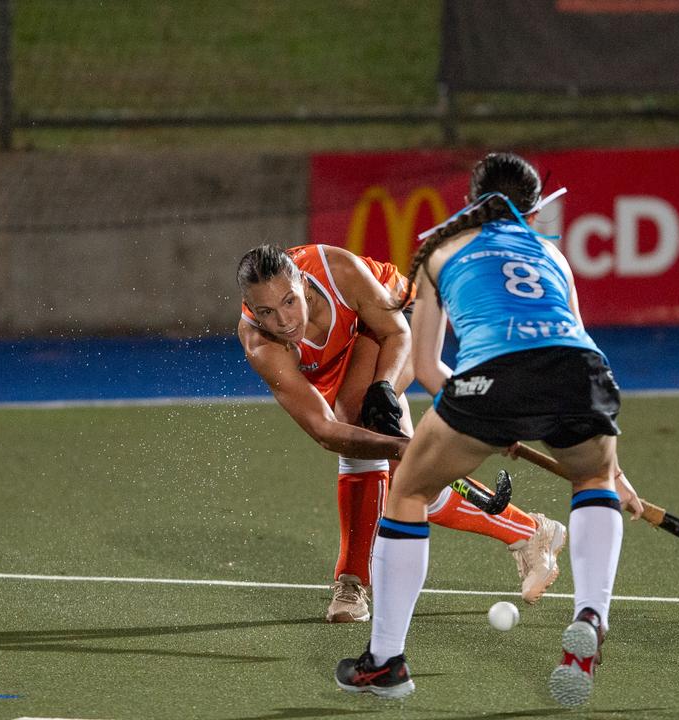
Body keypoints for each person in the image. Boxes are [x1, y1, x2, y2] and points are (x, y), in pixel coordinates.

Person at [334, 152, 643, 706]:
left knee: (407, 492)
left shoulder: (440, 251)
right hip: (585, 373)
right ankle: (592, 614)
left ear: (473, 201)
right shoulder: (551, 254)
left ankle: (385, 661)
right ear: (529, 208)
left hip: (491, 377)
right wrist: (613, 470)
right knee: (593, 478)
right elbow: (565, 344)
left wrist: (487, 416)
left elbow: (427, 370)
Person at [236, 242, 567, 623]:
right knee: (408, 482)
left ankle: (352, 579)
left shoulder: (337, 270)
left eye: (289, 302)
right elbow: (325, 431)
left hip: (395, 315)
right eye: (266, 312)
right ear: (252, 310)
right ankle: (530, 531)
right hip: (344, 356)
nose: (284, 321)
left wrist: (384, 387)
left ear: (304, 284)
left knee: (359, 417)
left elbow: (397, 334)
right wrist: (401, 447)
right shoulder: (262, 343)